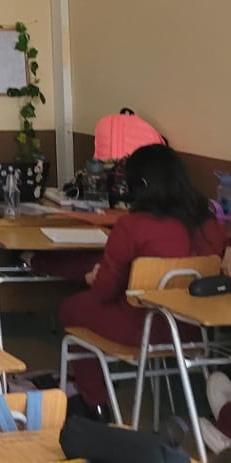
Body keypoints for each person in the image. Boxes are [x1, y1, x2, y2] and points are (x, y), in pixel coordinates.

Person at [58, 144, 226, 417]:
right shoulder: (210, 223)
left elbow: (105, 292)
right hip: (195, 330)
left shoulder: (132, 225)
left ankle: (95, 402)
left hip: (140, 328)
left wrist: (95, 277)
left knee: (71, 308)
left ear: (141, 185)